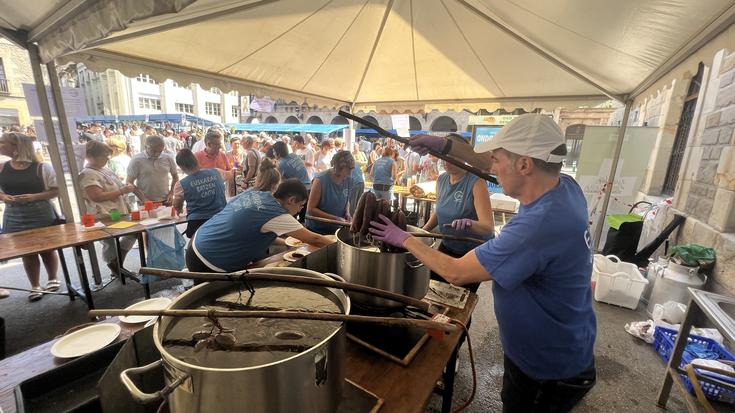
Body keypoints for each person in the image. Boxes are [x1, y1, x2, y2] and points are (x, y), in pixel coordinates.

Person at [370, 114, 596, 413]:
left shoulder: (538, 227)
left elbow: (455, 272)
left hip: (547, 367)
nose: (490, 167)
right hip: (555, 347)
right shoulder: (564, 186)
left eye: (497, 160)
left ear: (525, 165)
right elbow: (482, 163)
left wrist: (405, 238)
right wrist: (444, 146)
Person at [186, 179, 334, 273]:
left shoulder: (257, 194)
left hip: (197, 242)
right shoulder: (277, 214)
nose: (301, 209)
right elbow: (315, 239)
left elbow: (253, 230)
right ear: (292, 200)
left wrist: (287, 244)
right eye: (301, 205)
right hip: (209, 261)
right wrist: (341, 247)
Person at [422, 135, 495, 293]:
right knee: (435, 290)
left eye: (453, 157)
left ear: (464, 157)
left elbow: (488, 227)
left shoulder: (476, 182)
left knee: (459, 298)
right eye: (444, 157)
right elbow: (439, 209)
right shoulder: (441, 180)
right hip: (447, 244)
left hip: (472, 252)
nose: (446, 161)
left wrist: (470, 224)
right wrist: (423, 231)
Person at [0, 132, 61, 301]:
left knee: (47, 248)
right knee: (26, 252)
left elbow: (56, 190)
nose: (0, 145)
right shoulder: (2, 167)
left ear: (16, 146)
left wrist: (33, 197)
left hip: (40, 211)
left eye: (2, 142)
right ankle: (35, 284)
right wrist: (3, 197)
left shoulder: (42, 167)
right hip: (13, 213)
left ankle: (52, 277)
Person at [78, 141, 138, 276]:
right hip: (103, 215)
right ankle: (115, 266)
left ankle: (117, 264)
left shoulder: (104, 169)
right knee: (109, 242)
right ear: (91, 157)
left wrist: (123, 187)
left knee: (132, 233)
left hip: (117, 212)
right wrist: (122, 190)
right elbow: (96, 196)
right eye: (104, 155)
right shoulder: (88, 173)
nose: (107, 158)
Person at [172, 149, 228, 237]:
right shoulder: (217, 172)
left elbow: (177, 205)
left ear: (181, 167)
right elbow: (230, 175)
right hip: (221, 219)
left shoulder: (181, 185)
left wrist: (179, 210)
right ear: (196, 160)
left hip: (198, 224)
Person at [305, 151, 355, 235]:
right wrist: (335, 218)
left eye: (351, 170)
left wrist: (347, 213)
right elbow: (311, 209)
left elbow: (346, 199)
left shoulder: (349, 179)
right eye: (348, 170)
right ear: (337, 168)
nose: (350, 174)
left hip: (336, 228)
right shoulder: (320, 180)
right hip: (317, 229)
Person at [127, 135, 179, 205]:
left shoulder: (168, 158)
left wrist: (171, 193)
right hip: (144, 201)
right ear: (146, 147)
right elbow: (129, 182)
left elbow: (175, 177)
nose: (156, 154)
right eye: (153, 151)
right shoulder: (136, 160)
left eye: (160, 151)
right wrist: (143, 199)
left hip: (165, 199)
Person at [273, 141, 311, 222]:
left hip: (298, 192)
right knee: (302, 219)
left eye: (274, 151)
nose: (273, 153)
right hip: (308, 188)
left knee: (291, 219)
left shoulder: (281, 164)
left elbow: (278, 182)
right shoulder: (294, 155)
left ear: (278, 153)